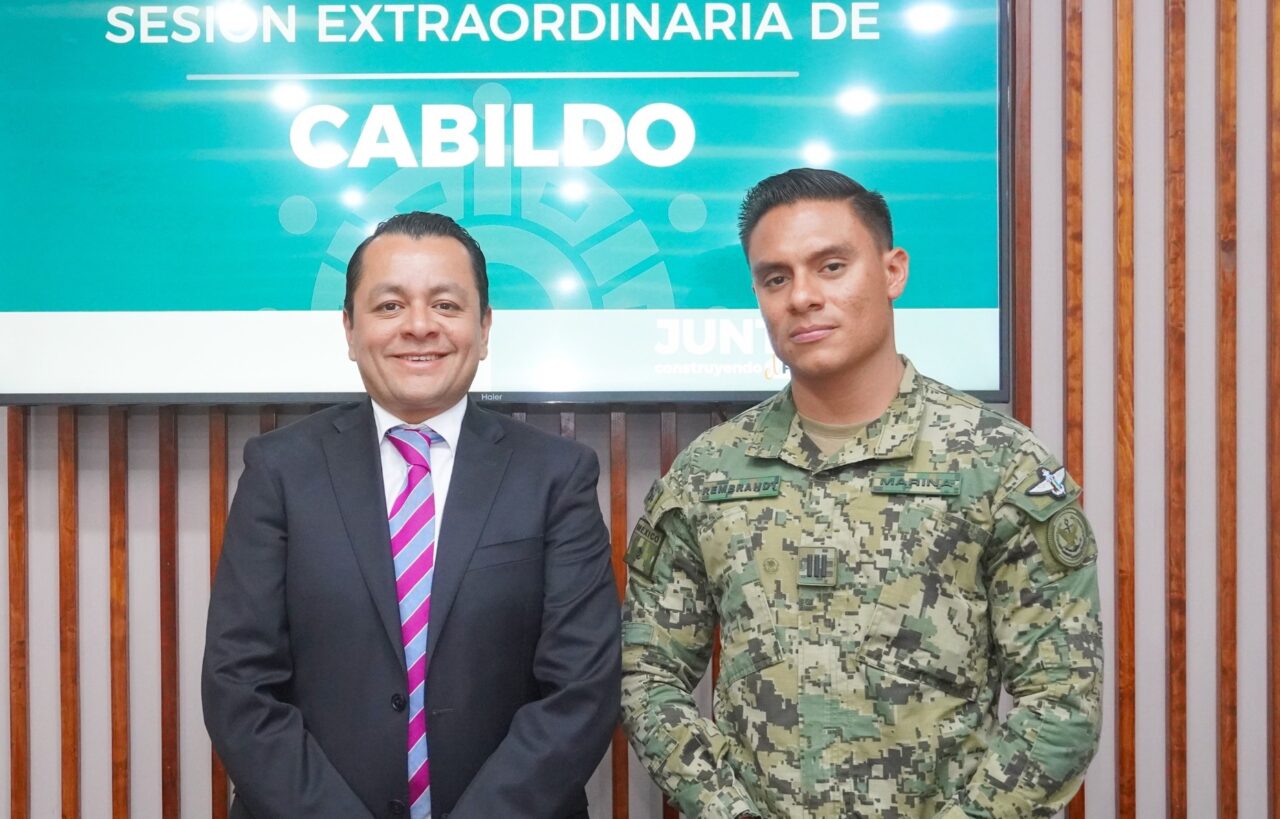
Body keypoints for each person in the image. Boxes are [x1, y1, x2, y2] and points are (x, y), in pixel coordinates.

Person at [620, 169, 1102, 819]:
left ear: (893, 270)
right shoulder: (707, 474)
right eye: (776, 278)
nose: (803, 297)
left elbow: (1062, 700)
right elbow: (649, 677)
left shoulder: (998, 464)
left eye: (831, 266)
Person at [203, 211, 620, 819]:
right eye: (390, 306)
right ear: (350, 330)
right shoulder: (279, 471)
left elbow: (581, 689)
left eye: (446, 305)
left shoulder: (557, 476)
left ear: (484, 328)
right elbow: (239, 685)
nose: (420, 326)